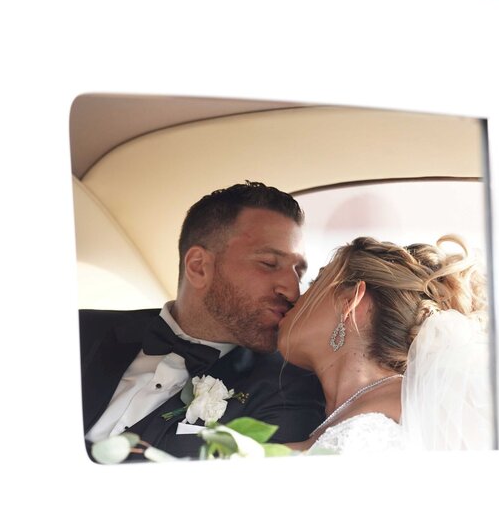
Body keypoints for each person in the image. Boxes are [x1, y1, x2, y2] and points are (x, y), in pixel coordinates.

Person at [79, 181, 325, 461]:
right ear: (198, 266)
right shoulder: (77, 332)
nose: (292, 291)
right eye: (269, 263)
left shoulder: (287, 389)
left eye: (299, 273)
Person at [278, 235, 499, 453]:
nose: (295, 295)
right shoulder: (366, 404)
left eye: (315, 282)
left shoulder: (408, 409)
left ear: (350, 302)